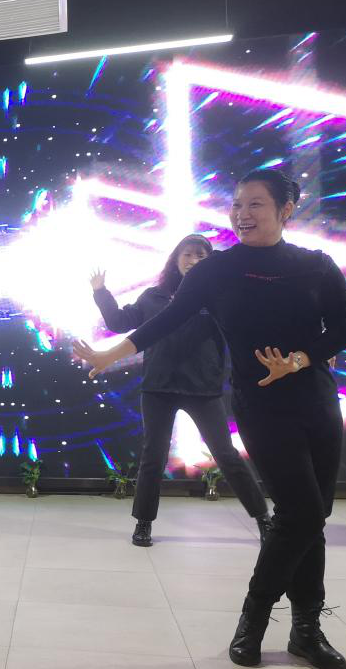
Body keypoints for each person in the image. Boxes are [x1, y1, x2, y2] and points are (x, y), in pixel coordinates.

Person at [74, 169, 346, 669]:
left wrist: (298, 360)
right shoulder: (215, 271)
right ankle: (254, 619)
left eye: (256, 204)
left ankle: (306, 630)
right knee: (301, 512)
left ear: (286, 209)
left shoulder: (315, 265)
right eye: (237, 204)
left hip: (316, 402)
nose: (242, 214)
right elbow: (164, 320)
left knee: (311, 518)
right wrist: (109, 354)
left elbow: (344, 328)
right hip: (260, 406)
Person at [91, 234, 270, 547]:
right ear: (175, 259)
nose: (193, 260)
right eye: (188, 254)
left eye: (201, 255)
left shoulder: (218, 298)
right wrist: (100, 292)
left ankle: (263, 519)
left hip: (203, 388)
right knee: (153, 457)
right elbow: (118, 322)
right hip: (158, 387)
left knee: (226, 454)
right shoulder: (154, 296)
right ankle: (143, 523)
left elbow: (246, 330)